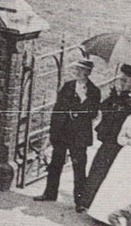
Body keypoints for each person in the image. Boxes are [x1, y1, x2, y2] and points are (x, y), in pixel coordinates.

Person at [87, 83, 131, 226]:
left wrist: (130, 140)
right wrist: (129, 140)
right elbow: (120, 138)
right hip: (124, 154)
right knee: (115, 181)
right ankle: (106, 214)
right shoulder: (130, 118)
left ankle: (130, 220)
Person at [36, 58, 102, 210]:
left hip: (79, 136)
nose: (77, 72)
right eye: (76, 69)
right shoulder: (68, 86)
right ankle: (50, 193)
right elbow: (58, 109)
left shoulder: (94, 91)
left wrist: (81, 107)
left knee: (79, 168)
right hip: (62, 132)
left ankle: (80, 201)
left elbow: (93, 113)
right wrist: (53, 131)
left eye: (81, 70)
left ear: (88, 72)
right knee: (55, 164)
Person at [84, 63, 131, 206]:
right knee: (98, 167)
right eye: (121, 79)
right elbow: (103, 108)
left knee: (108, 171)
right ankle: (88, 199)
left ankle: (96, 201)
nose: (121, 83)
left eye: (126, 81)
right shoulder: (117, 95)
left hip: (119, 141)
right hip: (109, 138)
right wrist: (112, 96)